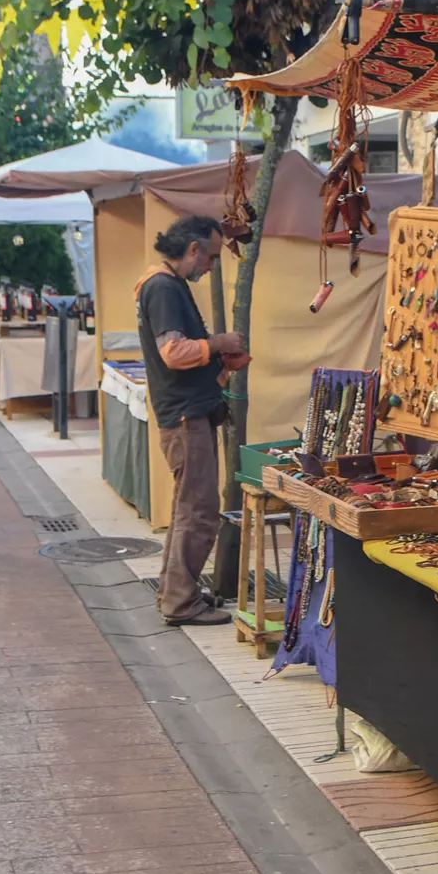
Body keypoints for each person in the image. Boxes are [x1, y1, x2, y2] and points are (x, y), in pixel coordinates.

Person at [136, 215, 250, 626]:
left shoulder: (165, 283)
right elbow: (174, 354)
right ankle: (180, 601)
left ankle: (175, 592)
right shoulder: (164, 286)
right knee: (198, 511)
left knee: (189, 508)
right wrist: (219, 343)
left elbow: (181, 357)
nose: (211, 266)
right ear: (194, 249)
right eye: (212, 257)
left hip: (185, 412)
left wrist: (218, 365)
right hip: (185, 416)